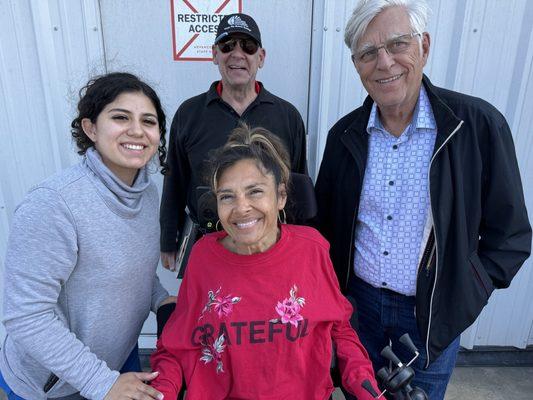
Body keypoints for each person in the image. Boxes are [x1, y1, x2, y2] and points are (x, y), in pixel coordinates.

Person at [315, 0, 532, 399]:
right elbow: (322, 229)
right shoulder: (344, 136)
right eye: (367, 53)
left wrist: (466, 292)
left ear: (424, 47)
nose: (384, 63)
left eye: (397, 44)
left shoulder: (477, 126)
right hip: (358, 310)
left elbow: (511, 236)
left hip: (431, 315)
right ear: (356, 65)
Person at [150, 125, 378, 400]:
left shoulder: (312, 249)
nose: (241, 207)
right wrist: (161, 392)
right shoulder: (204, 256)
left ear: (280, 196)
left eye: (255, 191)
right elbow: (176, 345)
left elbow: (340, 329)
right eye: (227, 196)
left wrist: (366, 387)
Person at [0, 72, 175, 400]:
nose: (137, 130)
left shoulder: (147, 195)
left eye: (148, 121)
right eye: (120, 117)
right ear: (90, 128)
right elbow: (26, 315)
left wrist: (160, 298)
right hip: (55, 383)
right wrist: (102, 382)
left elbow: (129, 267)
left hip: (118, 358)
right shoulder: (53, 203)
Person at [160, 13, 307, 271]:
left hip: (270, 247)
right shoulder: (189, 114)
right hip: (206, 245)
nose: (237, 54)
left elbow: (297, 186)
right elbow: (175, 180)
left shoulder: (287, 116)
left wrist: (300, 245)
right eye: (228, 46)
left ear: (260, 57)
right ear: (214, 54)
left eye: (247, 46)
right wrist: (167, 240)